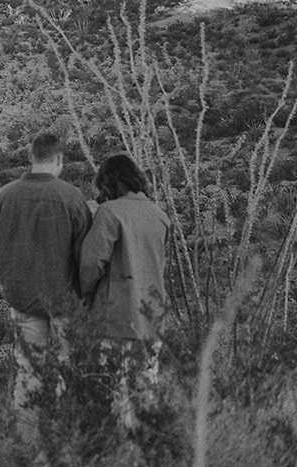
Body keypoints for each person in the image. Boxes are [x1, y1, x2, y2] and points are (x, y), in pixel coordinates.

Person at [0, 133, 91, 416]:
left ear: (31, 158)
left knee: (28, 370)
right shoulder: (71, 196)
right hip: (65, 299)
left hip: (22, 298)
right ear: (59, 159)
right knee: (69, 367)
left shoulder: (5, 196)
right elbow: (86, 255)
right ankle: (67, 434)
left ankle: (27, 440)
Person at [80, 153, 171, 433]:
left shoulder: (110, 213)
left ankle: (119, 451)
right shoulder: (159, 215)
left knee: (115, 393)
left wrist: (84, 294)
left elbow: (90, 263)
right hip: (152, 318)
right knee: (146, 390)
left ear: (108, 183)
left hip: (115, 317)